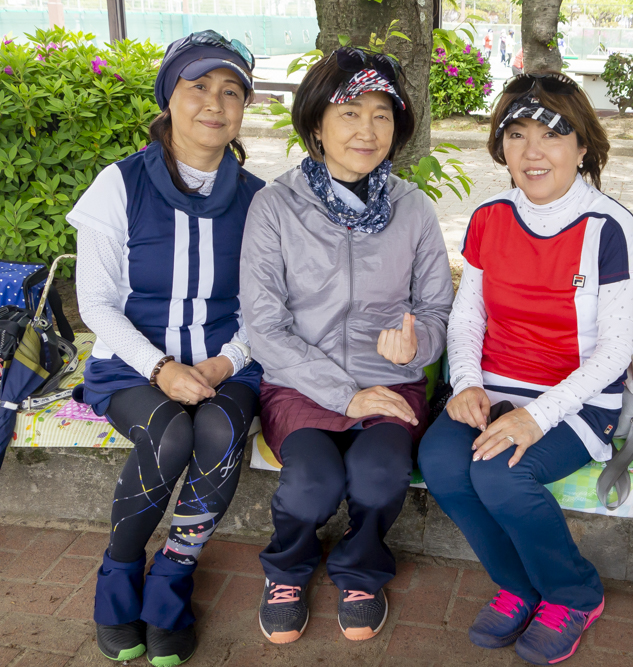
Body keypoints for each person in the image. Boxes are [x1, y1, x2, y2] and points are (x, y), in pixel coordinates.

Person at [418, 72, 633, 666]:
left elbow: (614, 353)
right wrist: (466, 383)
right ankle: (519, 585)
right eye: (517, 134)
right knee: (441, 463)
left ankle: (574, 592)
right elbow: (468, 316)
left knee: (502, 475)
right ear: (500, 146)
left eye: (552, 135)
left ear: (582, 146)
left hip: (580, 397)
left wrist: (536, 416)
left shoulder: (609, 227)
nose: (533, 152)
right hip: (493, 385)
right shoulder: (489, 217)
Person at [240, 46, 453, 644]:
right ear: (316, 125)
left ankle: (360, 570)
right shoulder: (275, 207)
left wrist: (416, 347)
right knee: (312, 486)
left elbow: (437, 311)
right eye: (351, 113)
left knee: (380, 477)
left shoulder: (413, 209)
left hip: (389, 383)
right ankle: (287, 570)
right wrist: (343, 394)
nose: (368, 130)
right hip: (300, 384)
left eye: (382, 115)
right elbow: (264, 326)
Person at [67, 30, 264, 666]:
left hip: (225, 363)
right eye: (198, 86)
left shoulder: (260, 200)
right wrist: (160, 367)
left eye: (231, 91)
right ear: (169, 98)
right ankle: (118, 575)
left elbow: (266, 308)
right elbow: (96, 303)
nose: (215, 102)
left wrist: (225, 362)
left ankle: (173, 577)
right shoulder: (119, 185)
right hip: (131, 365)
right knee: (170, 435)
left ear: (243, 108)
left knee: (220, 431)